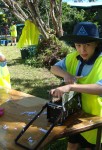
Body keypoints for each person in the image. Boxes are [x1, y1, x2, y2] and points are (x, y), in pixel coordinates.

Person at [50, 22, 102, 150]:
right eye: (78, 45)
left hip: (95, 117)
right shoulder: (73, 57)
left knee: (90, 145)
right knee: (72, 143)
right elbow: (54, 68)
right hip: (75, 113)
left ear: (96, 44)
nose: (82, 50)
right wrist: (66, 75)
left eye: (87, 45)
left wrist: (71, 87)